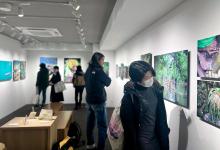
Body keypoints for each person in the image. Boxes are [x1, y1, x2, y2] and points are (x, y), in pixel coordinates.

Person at [120, 61, 170, 150]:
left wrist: (165, 130)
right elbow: (128, 126)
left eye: (151, 75)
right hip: (141, 141)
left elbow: (161, 113)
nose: (150, 79)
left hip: (157, 136)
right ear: (137, 78)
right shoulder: (130, 97)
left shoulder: (155, 87)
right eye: (146, 77)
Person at [85, 52, 111, 150]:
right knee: (102, 126)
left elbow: (87, 81)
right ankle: (101, 147)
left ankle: (90, 144)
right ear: (98, 60)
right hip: (99, 101)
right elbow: (108, 82)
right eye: (102, 60)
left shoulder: (88, 70)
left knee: (90, 123)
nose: (103, 62)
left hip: (89, 101)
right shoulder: (99, 71)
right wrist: (102, 83)